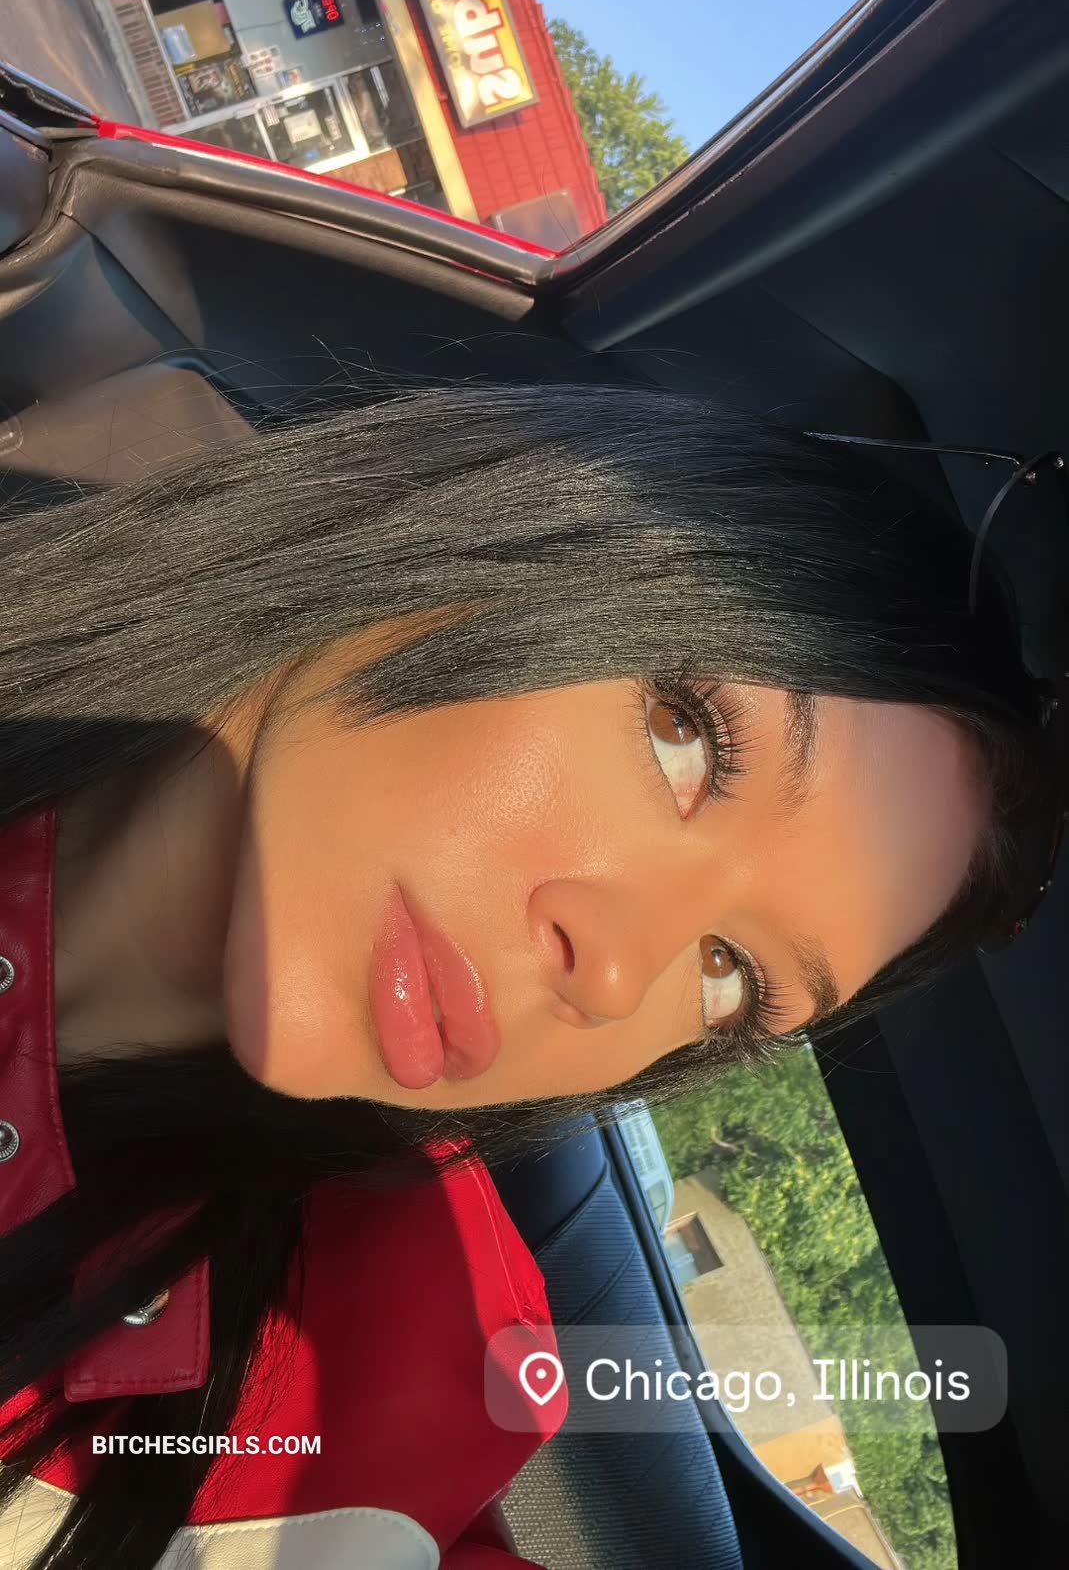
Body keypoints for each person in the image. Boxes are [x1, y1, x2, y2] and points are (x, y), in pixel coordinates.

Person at [0, 382, 1058, 1570]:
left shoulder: (401, 1386)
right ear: (509, 518)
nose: (616, 978)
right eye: (687, 738)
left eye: (729, 974)